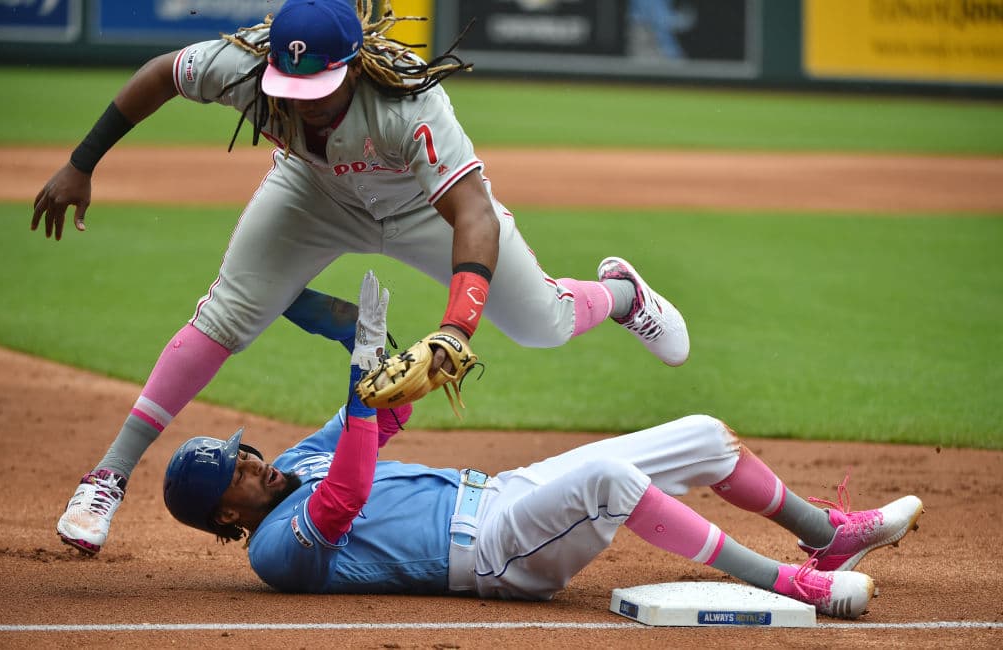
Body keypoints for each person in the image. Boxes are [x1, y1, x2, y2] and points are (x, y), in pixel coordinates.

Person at [34, 0, 691, 555]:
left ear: (351, 67)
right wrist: (81, 163)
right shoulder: (246, 66)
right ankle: (107, 477)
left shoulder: (406, 102)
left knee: (541, 325)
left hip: (420, 209)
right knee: (226, 315)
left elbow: (473, 217)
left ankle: (625, 295)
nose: (306, 106)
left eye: (319, 91)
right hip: (309, 195)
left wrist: (456, 329)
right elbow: (160, 75)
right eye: (292, 91)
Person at [163, 271, 924, 620]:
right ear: (225, 520)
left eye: (241, 452)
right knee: (606, 479)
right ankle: (789, 584)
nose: (253, 462)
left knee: (701, 437)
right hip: (492, 556)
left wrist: (410, 371)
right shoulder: (275, 554)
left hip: (503, 495)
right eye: (235, 474)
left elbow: (379, 420)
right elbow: (349, 494)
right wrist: (361, 390)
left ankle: (826, 538)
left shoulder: (295, 462)